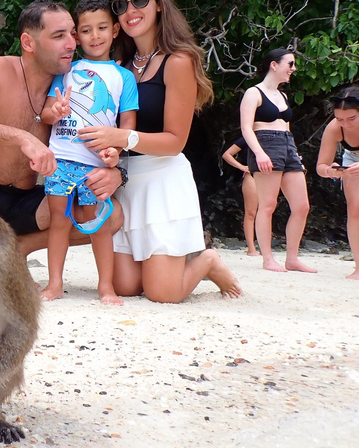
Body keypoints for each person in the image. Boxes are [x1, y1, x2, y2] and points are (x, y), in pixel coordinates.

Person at [55, 0, 241, 303]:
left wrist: (120, 136)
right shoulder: (119, 66)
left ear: (159, 6)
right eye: (121, 4)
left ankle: (208, 261)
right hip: (125, 181)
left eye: (140, 1)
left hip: (162, 180)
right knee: (125, 286)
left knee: (162, 293)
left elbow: (175, 141)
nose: (131, 10)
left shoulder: (178, 61)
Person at [0, 0, 126, 258]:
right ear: (28, 43)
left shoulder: (79, 81)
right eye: (59, 36)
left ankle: (17, 250)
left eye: (72, 33)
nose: (72, 43)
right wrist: (21, 138)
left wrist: (117, 171)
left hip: (29, 203)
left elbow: (109, 136)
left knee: (111, 215)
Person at [38, 0, 138, 304]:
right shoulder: (66, 69)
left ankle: (105, 286)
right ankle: (54, 283)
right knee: (59, 221)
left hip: (95, 165)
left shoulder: (124, 78)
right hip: (61, 160)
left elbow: (127, 129)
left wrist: (114, 156)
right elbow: (44, 113)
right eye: (86, 30)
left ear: (116, 30)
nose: (95, 36)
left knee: (99, 225)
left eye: (102, 28)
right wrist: (56, 110)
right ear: (77, 36)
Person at [239, 48, 316, 273]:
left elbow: (287, 127)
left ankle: (292, 258)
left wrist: (293, 151)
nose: (293, 69)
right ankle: (268, 258)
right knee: (268, 205)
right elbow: (246, 127)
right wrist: (259, 153)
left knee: (302, 206)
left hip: (287, 144)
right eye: (290, 64)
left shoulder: (282, 95)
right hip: (265, 143)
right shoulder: (253, 93)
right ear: (274, 65)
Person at [315, 86, 359, 280]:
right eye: (340, 119)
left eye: (352, 119)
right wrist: (330, 171)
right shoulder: (334, 128)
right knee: (355, 209)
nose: (346, 124)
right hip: (351, 159)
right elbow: (320, 166)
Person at [221, 136, 259, 255]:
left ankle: (264, 248)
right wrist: (241, 167)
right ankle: (251, 248)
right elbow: (227, 154)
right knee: (251, 212)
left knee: (267, 211)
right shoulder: (248, 138)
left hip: (269, 176)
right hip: (251, 174)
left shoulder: (275, 136)